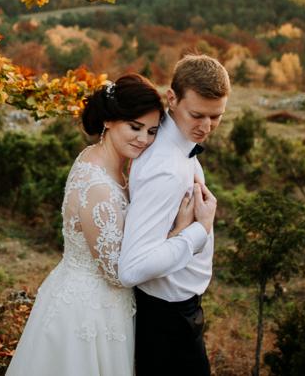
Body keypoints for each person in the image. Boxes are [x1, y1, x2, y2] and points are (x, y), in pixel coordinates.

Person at [7, 73, 169, 376]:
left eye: (151, 131)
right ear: (108, 121)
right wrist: (177, 238)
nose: (143, 139)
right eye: (134, 127)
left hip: (98, 304)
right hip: (88, 312)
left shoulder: (102, 161)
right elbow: (118, 274)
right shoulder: (98, 186)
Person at [118, 54, 231, 376]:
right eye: (197, 115)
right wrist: (197, 231)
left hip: (173, 312)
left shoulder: (175, 147)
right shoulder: (167, 170)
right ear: (172, 98)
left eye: (216, 117)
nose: (206, 127)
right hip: (168, 319)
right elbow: (132, 269)